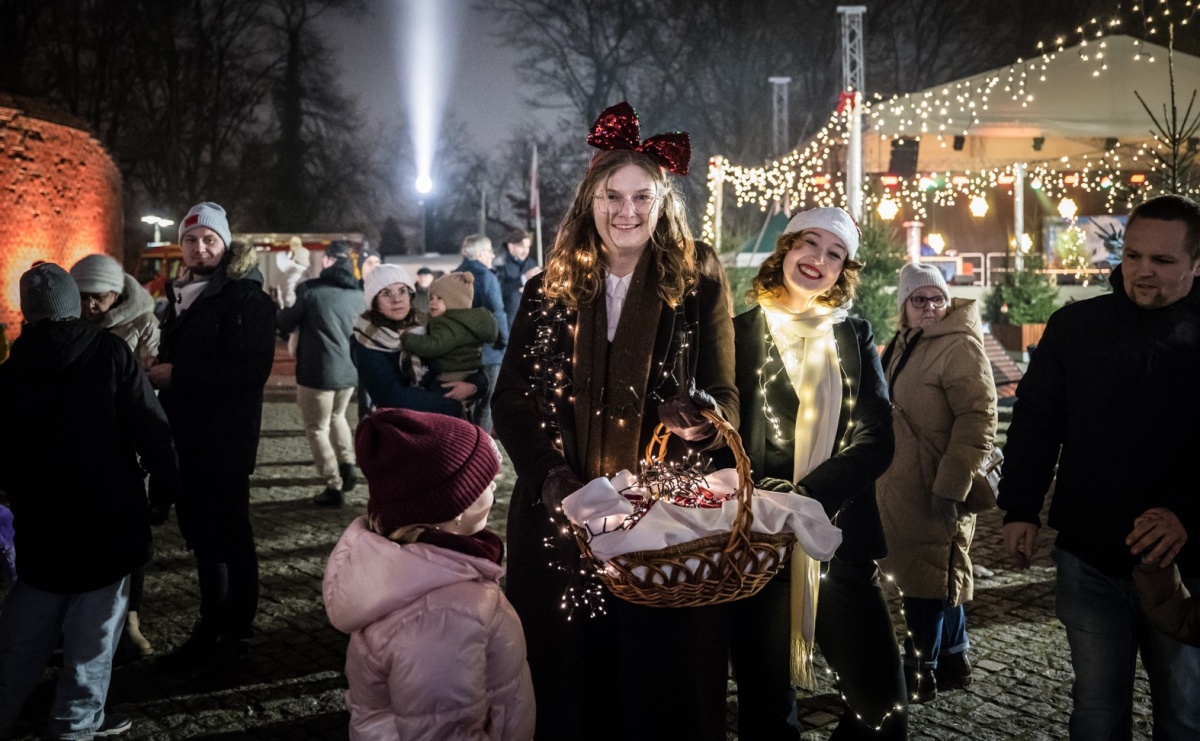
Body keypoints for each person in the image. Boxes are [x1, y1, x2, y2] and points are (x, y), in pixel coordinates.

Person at [493, 101, 737, 741]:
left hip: (664, 520)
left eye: (642, 197)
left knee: (661, 683)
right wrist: (551, 478)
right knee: (568, 681)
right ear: (589, 201)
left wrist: (702, 424)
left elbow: (726, 395)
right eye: (612, 196)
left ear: (663, 204)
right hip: (562, 519)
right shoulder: (548, 286)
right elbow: (512, 398)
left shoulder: (696, 278)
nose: (626, 212)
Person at [999, 193, 1200, 740]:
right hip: (1089, 553)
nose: (1142, 272)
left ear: (1196, 264)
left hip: (1186, 562)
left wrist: (1186, 514)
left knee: (1185, 715)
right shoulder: (1077, 327)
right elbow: (1038, 421)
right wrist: (1020, 508)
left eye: (1162, 261)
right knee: (1095, 712)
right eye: (1133, 256)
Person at [727, 206, 905, 740]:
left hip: (837, 545)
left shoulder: (852, 335)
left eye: (835, 253)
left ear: (843, 269)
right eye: (810, 243)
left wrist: (806, 499)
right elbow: (722, 437)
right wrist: (766, 506)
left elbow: (877, 438)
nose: (818, 260)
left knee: (882, 705)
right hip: (758, 547)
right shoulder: (737, 335)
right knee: (765, 708)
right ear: (785, 249)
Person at [0, 264, 178, 740]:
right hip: (109, 518)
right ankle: (75, 725)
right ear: (72, 304)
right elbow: (151, 427)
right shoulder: (109, 352)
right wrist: (162, 490)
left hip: (40, 524)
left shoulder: (12, 371)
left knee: (25, 630)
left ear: (28, 311)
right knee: (94, 638)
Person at [323, 408, 535, 740]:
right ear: (456, 505)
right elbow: (444, 728)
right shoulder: (442, 615)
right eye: (486, 482)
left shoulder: (417, 568)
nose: (496, 485)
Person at [148, 202, 277, 684]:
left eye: (209, 239)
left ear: (225, 244)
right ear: (181, 248)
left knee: (231, 536)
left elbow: (251, 370)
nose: (200, 248)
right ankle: (211, 625)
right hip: (186, 437)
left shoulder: (247, 298)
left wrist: (177, 374)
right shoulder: (181, 296)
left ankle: (236, 635)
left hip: (224, 438)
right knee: (201, 537)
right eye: (191, 240)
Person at [876, 262, 997, 703]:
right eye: (919, 299)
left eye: (937, 298)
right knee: (936, 570)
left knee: (926, 579)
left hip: (938, 482)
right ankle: (953, 657)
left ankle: (921, 670)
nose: (929, 307)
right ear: (904, 307)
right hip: (904, 482)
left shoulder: (959, 346)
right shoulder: (907, 344)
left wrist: (952, 482)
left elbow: (979, 417)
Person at [70, 253, 165, 658]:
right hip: (78, 439)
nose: (91, 306)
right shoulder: (68, 320)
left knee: (132, 535)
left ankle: (130, 618)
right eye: (83, 298)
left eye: (99, 298)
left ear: (116, 294)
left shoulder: (142, 322)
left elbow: (149, 380)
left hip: (124, 436)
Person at [276, 241, 365, 508]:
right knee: (338, 417)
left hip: (318, 371)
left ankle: (333, 484)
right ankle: (348, 463)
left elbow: (285, 322)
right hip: (349, 370)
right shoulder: (359, 293)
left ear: (327, 261)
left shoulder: (311, 291)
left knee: (316, 428)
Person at [352, 264, 483, 418]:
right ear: (375, 303)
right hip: (400, 428)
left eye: (402, 291)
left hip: (444, 426)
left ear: (410, 295)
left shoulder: (429, 326)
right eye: (386, 293)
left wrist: (473, 387)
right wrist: (452, 404)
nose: (397, 300)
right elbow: (392, 396)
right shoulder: (366, 338)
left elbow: (470, 367)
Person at [401, 271, 497, 414]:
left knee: (440, 408)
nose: (432, 302)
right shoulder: (469, 321)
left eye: (439, 298)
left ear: (454, 301)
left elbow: (433, 346)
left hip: (449, 375)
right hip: (469, 371)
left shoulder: (449, 324)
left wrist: (406, 338)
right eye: (431, 298)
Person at [455, 235, 508, 433]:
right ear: (479, 254)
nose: (493, 255)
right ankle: (482, 449)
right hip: (488, 351)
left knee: (466, 402)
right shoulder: (486, 276)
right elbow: (497, 311)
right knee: (486, 404)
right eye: (489, 251)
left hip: (461, 351)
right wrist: (505, 341)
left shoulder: (454, 275)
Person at [494, 229, 540, 329]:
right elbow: (498, 290)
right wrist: (523, 280)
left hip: (529, 317)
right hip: (509, 319)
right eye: (522, 247)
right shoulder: (500, 263)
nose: (526, 251)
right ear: (511, 246)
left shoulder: (531, 263)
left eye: (528, 247)